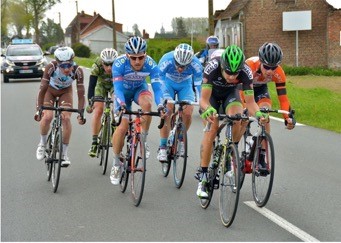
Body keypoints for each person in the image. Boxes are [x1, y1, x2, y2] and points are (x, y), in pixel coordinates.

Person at [196, 45, 267, 198]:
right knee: (211, 129)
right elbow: (202, 100)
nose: (232, 77)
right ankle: (202, 176)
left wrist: (259, 114)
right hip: (211, 96)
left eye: (235, 73)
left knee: (238, 117)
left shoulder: (246, 71)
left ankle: (230, 150)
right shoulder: (212, 67)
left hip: (230, 94)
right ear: (222, 66)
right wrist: (208, 109)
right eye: (228, 72)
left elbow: (250, 102)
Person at [110, 36, 164, 185]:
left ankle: (143, 139)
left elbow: (158, 89)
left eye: (141, 57)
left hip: (139, 90)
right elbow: (118, 90)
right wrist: (121, 105)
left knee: (147, 105)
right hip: (123, 95)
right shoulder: (119, 64)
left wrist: (161, 105)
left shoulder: (152, 65)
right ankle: (116, 164)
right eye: (133, 58)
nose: (138, 61)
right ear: (128, 56)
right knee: (122, 127)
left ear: (145, 54)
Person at [34, 47, 86, 167]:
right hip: (49, 91)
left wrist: (81, 113)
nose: (67, 69)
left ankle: (64, 154)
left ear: (73, 61)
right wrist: (38, 110)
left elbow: (81, 93)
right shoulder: (50, 67)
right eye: (63, 66)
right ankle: (42, 144)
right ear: (57, 63)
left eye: (69, 65)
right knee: (47, 117)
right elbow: (42, 90)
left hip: (65, 92)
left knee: (66, 118)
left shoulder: (78, 71)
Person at [157, 43, 203, 161]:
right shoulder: (166, 59)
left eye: (184, 66)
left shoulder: (196, 64)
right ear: (174, 59)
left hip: (185, 84)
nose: (180, 68)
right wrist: (164, 99)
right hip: (168, 83)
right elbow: (159, 80)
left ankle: (181, 138)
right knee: (168, 109)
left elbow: (198, 85)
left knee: (188, 112)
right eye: (178, 65)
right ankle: (162, 147)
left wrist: (202, 101)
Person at [245, 42, 296, 131]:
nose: (270, 71)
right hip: (245, 89)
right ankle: (235, 143)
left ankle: (264, 142)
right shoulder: (250, 66)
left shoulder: (279, 73)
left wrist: (287, 118)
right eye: (266, 67)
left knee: (265, 113)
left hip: (261, 89)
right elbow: (239, 90)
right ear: (260, 62)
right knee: (244, 116)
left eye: (273, 68)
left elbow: (283, 99)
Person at [87, 48, 119, 157]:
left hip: (114, 85)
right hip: (100, 86)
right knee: (98, 110)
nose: (109, 68)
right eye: (106, 64)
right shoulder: (97, 66)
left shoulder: (120, 66)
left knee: (116, 105)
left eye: (112, 64)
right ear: (102, 62)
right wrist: (90, 102)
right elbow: (91, 85)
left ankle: (114, 125)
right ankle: (94, 142)